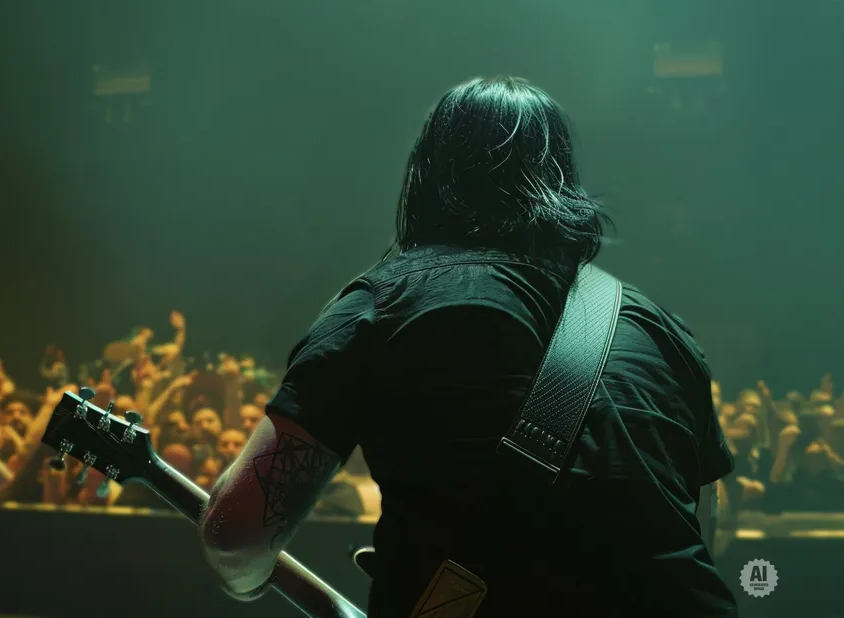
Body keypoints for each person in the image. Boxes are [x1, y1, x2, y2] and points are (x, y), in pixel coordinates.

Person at [198, 76, 736, 617]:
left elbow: (236, 535)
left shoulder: (383, 305)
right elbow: (707, 530)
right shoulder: (664, 332)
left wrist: (243, 583)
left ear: (424, 177)